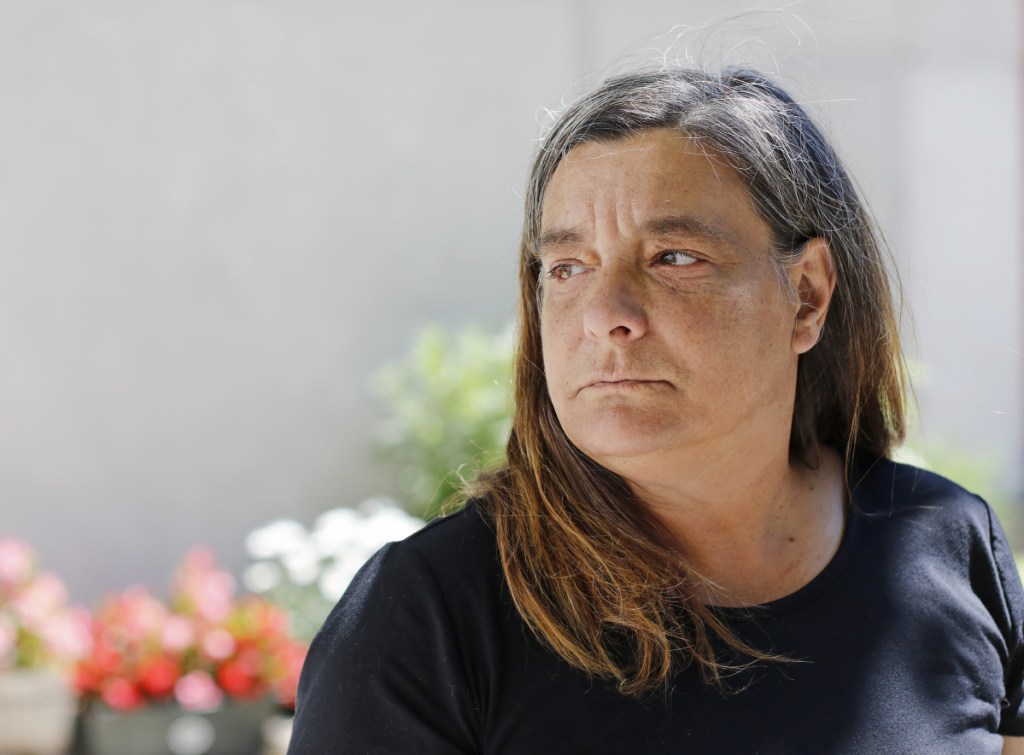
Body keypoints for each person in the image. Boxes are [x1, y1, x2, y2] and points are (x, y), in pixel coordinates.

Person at [287, 67, 1024, 753]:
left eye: (674, 257)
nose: (606, 314)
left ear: (808, 295)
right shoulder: (430, 617)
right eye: (568, 268)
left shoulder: (949, 549)